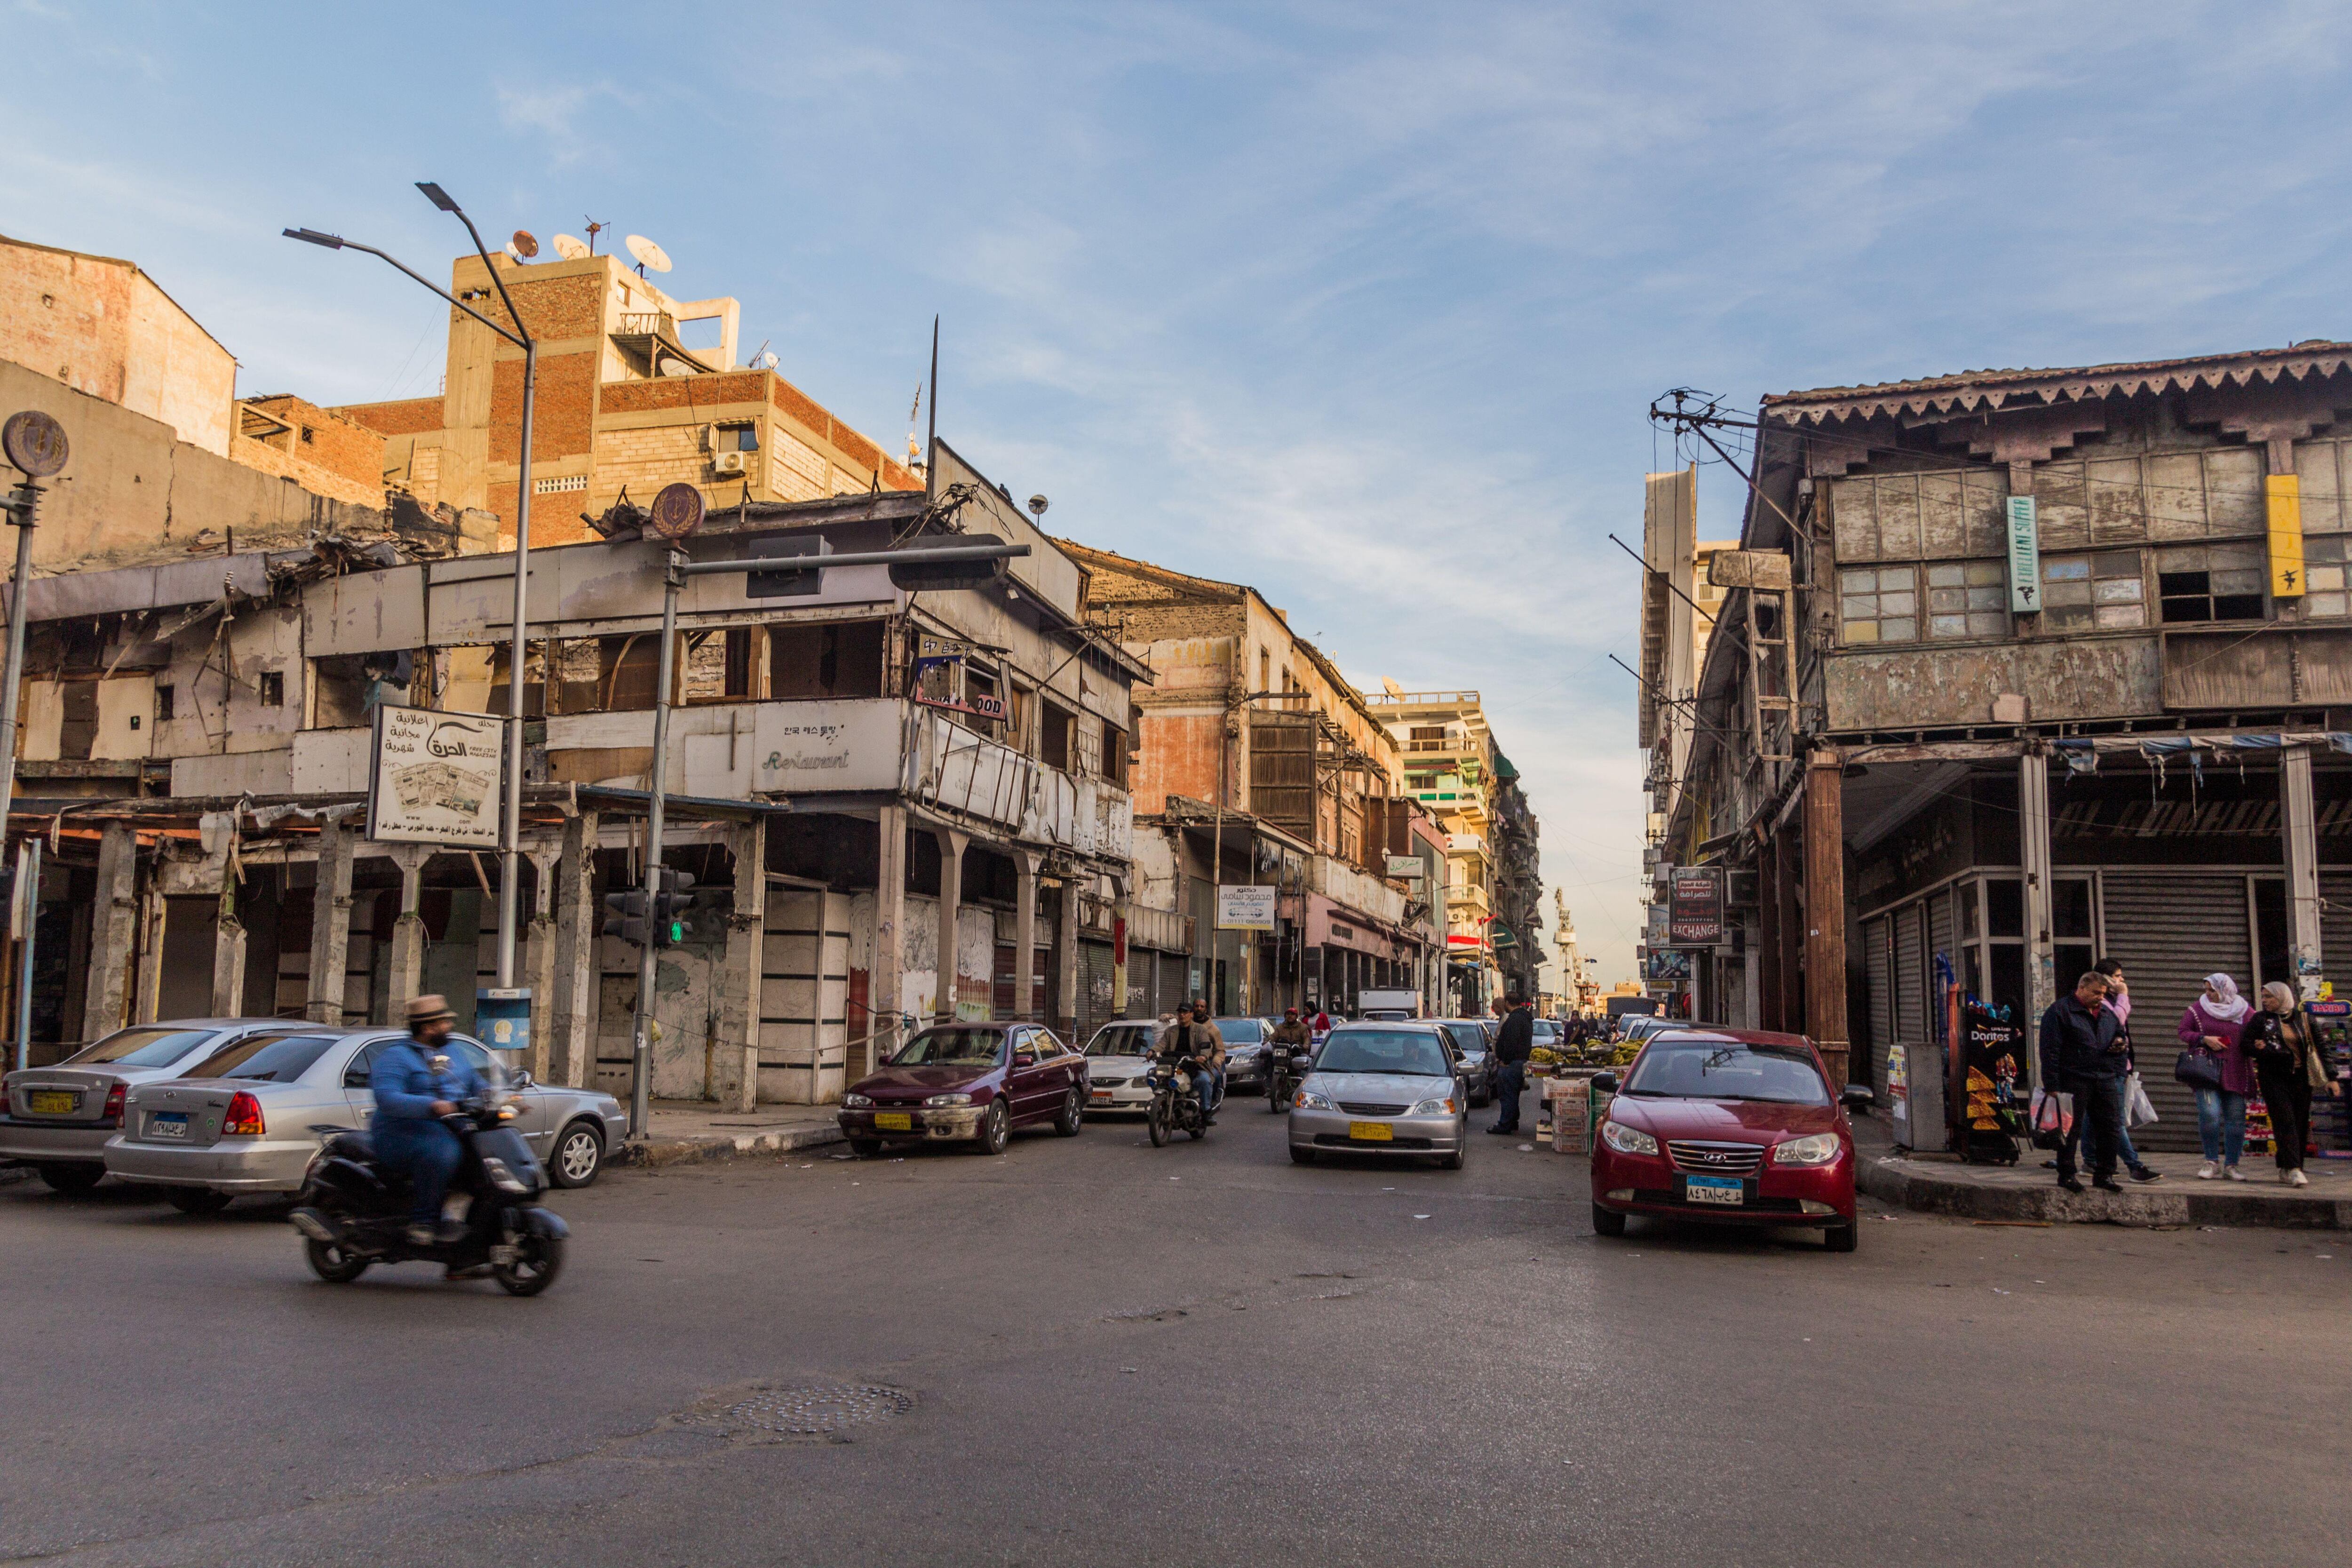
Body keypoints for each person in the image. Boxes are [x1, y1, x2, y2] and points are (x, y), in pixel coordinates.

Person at [369, 994, 483, 1246]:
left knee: (484, 1151)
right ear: (428, 1028)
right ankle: (424, 1221)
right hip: (400, 1131)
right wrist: (432, 1105)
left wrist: (504, 1096)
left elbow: (475, 1082)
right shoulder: (396, 1057)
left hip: (451, 1125)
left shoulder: (453, 1052)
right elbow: (387, 1098)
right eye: (444, 1023)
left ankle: (461, 1217)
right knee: (443, 1151)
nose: (449, 1027)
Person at [2242, 981, 2339, 1188]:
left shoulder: (2304, 1018)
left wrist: (2332, 1077)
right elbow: (2246, 1045)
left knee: (2300, 1122)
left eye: (2270, 997)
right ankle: (2294, 1169)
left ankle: (2290, 1167)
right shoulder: (2260, 1019)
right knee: (2284, 1120)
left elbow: (2321, 1047)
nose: (2266, 1001)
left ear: (2283, 997)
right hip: (2273, 1078)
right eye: (2264, 997)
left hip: (2301, 1078)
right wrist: (2261, 1049)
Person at [2038, 970, 2127, 1194]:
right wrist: (2052, 1085)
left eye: (2104, 994)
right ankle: (2067, 1174)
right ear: (2082, 988)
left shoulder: (2106, 1013)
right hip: (2074, 1078)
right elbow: (2050, 1051)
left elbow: (2121, 1036)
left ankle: (2105, 1174)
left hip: (2104, 1077)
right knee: (2070, 1129)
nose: (2100, 997)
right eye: (2096, 993)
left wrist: (2119, 1048)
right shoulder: (2060, 1012)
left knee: (2110, 1127)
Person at [2086, 958, 2160, 1183]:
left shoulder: (2108, 1000)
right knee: (2114, 1119)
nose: (2122, 980)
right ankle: (2134, 1166)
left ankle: (2090, 1161)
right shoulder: (2104, 1002)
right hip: (2109, 1067)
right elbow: (2116, 1020)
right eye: (2118, 976)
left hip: (2116, 1066)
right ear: (2106, 979)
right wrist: (2123, 994)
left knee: (2093, 1116)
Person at [2179, 973, 2257, 1181]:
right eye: (2206, 989)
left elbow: (2257, 1033)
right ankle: (2211, 1161)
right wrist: (2204, 1039)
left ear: (2226, 990)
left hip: (2237, 1071)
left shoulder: (2245, 1011)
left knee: (2236, 1119)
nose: (2208, 994)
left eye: (2212, 990)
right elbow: (2183, 1031)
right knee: (2210, 1114)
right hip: (2207, 1072)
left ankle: (2231, 1166)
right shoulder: (2198, 1009)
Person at [1157, 1001, 1227, 1124]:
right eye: (1180, 1012)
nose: (1182, 1015)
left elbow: (1207, 1046)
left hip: (1196, 1066)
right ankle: (1162, 1105)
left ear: (1191, 1014)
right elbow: (1161, 1044)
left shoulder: (1201, 1030)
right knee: (1158, 1077)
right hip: (1177, 1066)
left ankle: (1206, 1111)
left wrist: (1204, 1057)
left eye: (1185, 1012)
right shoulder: (1170, 1031)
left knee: (1204, 1080)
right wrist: (1152, 1051)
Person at [1486, 993, 1534, 1135]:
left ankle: (1505, 1125)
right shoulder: (1525, 1018)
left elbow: (1511, 1043)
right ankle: (1512, 1122)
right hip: (1518, 1062)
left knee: (1507, 1095)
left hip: (1511, 1064)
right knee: (1513, 1094)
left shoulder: (1514, 1020)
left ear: (1507, 1003)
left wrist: (1505, 1060)